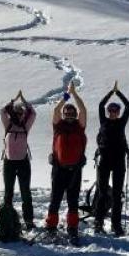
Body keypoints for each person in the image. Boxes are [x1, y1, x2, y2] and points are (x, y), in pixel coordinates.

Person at [45, 81, 88, 245]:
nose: (70, 115)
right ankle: (51, 227)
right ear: (64, 114)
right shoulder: (58, 126)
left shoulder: (79, 126)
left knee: (73, 201)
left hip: (75, 170)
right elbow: (56, 110)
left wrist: (75, 94)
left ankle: (72, 228)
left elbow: (83, 110)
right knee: (55, 200)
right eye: (67, 112)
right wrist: (66, 96)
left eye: (72, 112)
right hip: (59, 169)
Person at [93, 82, 129, 235]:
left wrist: (118, 93)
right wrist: (111, 92)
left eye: (116, 110)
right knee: (102, 192)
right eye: (111, 110)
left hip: (118, 161)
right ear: (108, 111)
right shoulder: (104, 121)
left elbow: (128, 106)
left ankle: (116, 225)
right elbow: (101, 105)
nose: (113, 112)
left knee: (117, 193)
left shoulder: (122, 122)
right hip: (105, 160)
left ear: (118, 112)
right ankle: (98, 222)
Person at [0, 90, 37, 230]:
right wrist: (14, 99)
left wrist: (25, 102)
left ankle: (28, 221)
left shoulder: (25, 125)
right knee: (8, 193)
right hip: (9, 162)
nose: (20, 115)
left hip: (23, 162)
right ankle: (7, 220)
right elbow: (2, 111)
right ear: (13, 113)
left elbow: (33, 114)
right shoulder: (8, 124)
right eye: (17, 113)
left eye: (21, 113)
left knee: (25, 192)